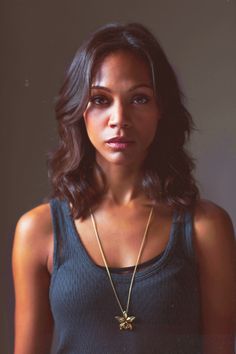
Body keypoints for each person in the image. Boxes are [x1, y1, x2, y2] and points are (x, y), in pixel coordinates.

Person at [12, 22, 235, 354]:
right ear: (78, 111)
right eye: (100, 99)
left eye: (139, 99)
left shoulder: (205, 227)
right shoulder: (38, 230)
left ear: (162, 111)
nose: (119, 118)